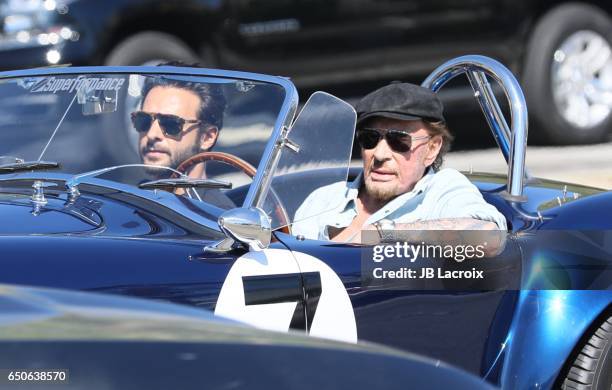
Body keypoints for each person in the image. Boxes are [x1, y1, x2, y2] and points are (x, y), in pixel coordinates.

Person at [292, 82, 507, 243]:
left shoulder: (442, 190)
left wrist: (383, 233)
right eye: (370, 138)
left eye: (399, 140)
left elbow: (489, 238)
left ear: (432, 148)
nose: (380, 153)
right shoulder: (324, 198)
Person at [131, 66, 235, 208]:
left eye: (171, 124)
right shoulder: (127, 200)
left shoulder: (216, 219)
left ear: (207, 137)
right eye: (143, 120)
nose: (151, 135)